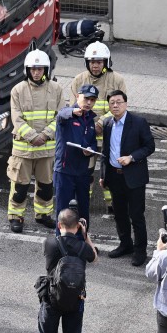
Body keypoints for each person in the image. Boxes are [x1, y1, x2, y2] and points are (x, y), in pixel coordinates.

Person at [37, 208, 97, 333]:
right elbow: (94, 258)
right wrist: (85, 236)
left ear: (59, 225)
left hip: (52, 298)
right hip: (75, 299)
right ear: (78, 226)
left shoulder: (50, 244)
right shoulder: (82, 247)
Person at [7, 49, 65, 233]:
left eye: (40, 69)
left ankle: (43, 215)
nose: (36, 72)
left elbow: (61, 116)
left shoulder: (56, 89)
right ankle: (16, 216)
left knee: (46, 186)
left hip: (46, 149)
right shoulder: (18, 90)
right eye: (33, 69)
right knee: (19, 187)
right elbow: (16, 119)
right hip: (23, 150)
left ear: (46, 70)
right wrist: (34, 137)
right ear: (27, 70)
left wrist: (46, 135)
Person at [69, 42, 128, 215]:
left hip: (110, 134)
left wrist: (101, 123)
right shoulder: (79, 80)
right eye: (92, 61)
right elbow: (74, 108)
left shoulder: (117, 80)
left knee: (110, 172)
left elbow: (119, 107)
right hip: (86, 136)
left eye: (99, 61)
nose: (95, 65)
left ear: (106, 62)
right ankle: (82, 201)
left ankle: (113, 204)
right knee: (85, 172)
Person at [100, 90, 155, 266]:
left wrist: (131, 157)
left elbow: (149, 146)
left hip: (134, 177)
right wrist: (103, 175)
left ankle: (140, 251)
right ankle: (125, 244)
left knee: (136, 215)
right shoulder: (108, 123)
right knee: (119, 214)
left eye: (118, 102)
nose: (115, 105)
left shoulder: (138, 122)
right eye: (112, 103)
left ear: (126, 104)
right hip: (114, 177)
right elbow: (105, 152)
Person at [54, 85, 98, 227]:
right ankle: (61, 242)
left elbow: (93, 142)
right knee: (63, 212)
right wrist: (73, 112)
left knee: (83, 211)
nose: (89, 102)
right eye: (86, 98)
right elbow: (61, 114)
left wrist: (90, 149)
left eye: (92, 100)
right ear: (78, 96)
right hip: (65, 171)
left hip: (82, 172)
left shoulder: (90, 120)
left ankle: (83, 242)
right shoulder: (68, 114)